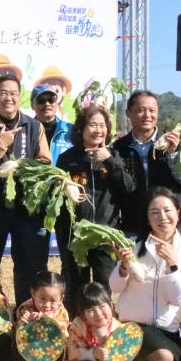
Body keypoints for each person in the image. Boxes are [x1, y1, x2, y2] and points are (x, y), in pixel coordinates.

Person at [110, 187, 181, 361]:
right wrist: (123, 267)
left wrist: (172, 264)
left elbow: (179, 298)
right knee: (163, 359)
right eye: (154, 212)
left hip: (165, 331)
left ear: (178, 212)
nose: (162, 217)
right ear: (147, 218)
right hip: (132, 326)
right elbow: (114, 287)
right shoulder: (134, 245)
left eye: (167, 210)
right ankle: (133, 360)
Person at [0, 74, 51, 306]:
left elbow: (45, 161)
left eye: (13, 93)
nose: (8, 98)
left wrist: (24, 168)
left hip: (26, 208)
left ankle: (24, 311)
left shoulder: (34, 126)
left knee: (28, 263)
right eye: (3, 93)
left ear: (20, 97)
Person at [55, 105, 136, 314]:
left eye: (102, 125)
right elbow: (56, 194)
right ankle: (77, 326)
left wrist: (109, 160)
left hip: (105, 235)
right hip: (75, 235)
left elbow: (128, 189)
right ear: (81, 129)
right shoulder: (67, 159)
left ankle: (102, 326)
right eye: (92, 125)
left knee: (103, 286)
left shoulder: (114, 156)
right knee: (76, 286)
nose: (98, 130)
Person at [112, 90, 181, 237]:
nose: (147, 115)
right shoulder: (118, 148)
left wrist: (173, 155)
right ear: (128, 113)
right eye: (141, 110)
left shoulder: (175, 143)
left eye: (152, 110)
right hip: (133, 228)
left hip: (168, 227)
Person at [64, 282, 139, 361]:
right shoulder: (78, 326)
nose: (98, 314)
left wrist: (104, 340)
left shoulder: (118, 329)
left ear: (111, 306)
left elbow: (122, 359)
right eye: (90, 310)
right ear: (83, 315)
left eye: (102, 306)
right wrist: (93, 354)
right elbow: (74, 353)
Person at [15, 271, 69, 361]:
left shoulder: (62, 312)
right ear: (33, 293)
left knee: (64, 348)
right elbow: (19, 335)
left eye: (53, 300)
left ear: (61, 299)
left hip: (51, 352)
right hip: (30, 349)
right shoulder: (25, 308)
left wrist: (45, 320)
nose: (47, 305)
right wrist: (23, 323)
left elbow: (62, 334)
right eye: (42, 299)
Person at [30, 84, 72, 163]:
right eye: (41, 100)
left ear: (57, 103)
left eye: (51, 100)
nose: (47, 104)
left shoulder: (71, 130)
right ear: (32, 105)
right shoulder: (25, 131)